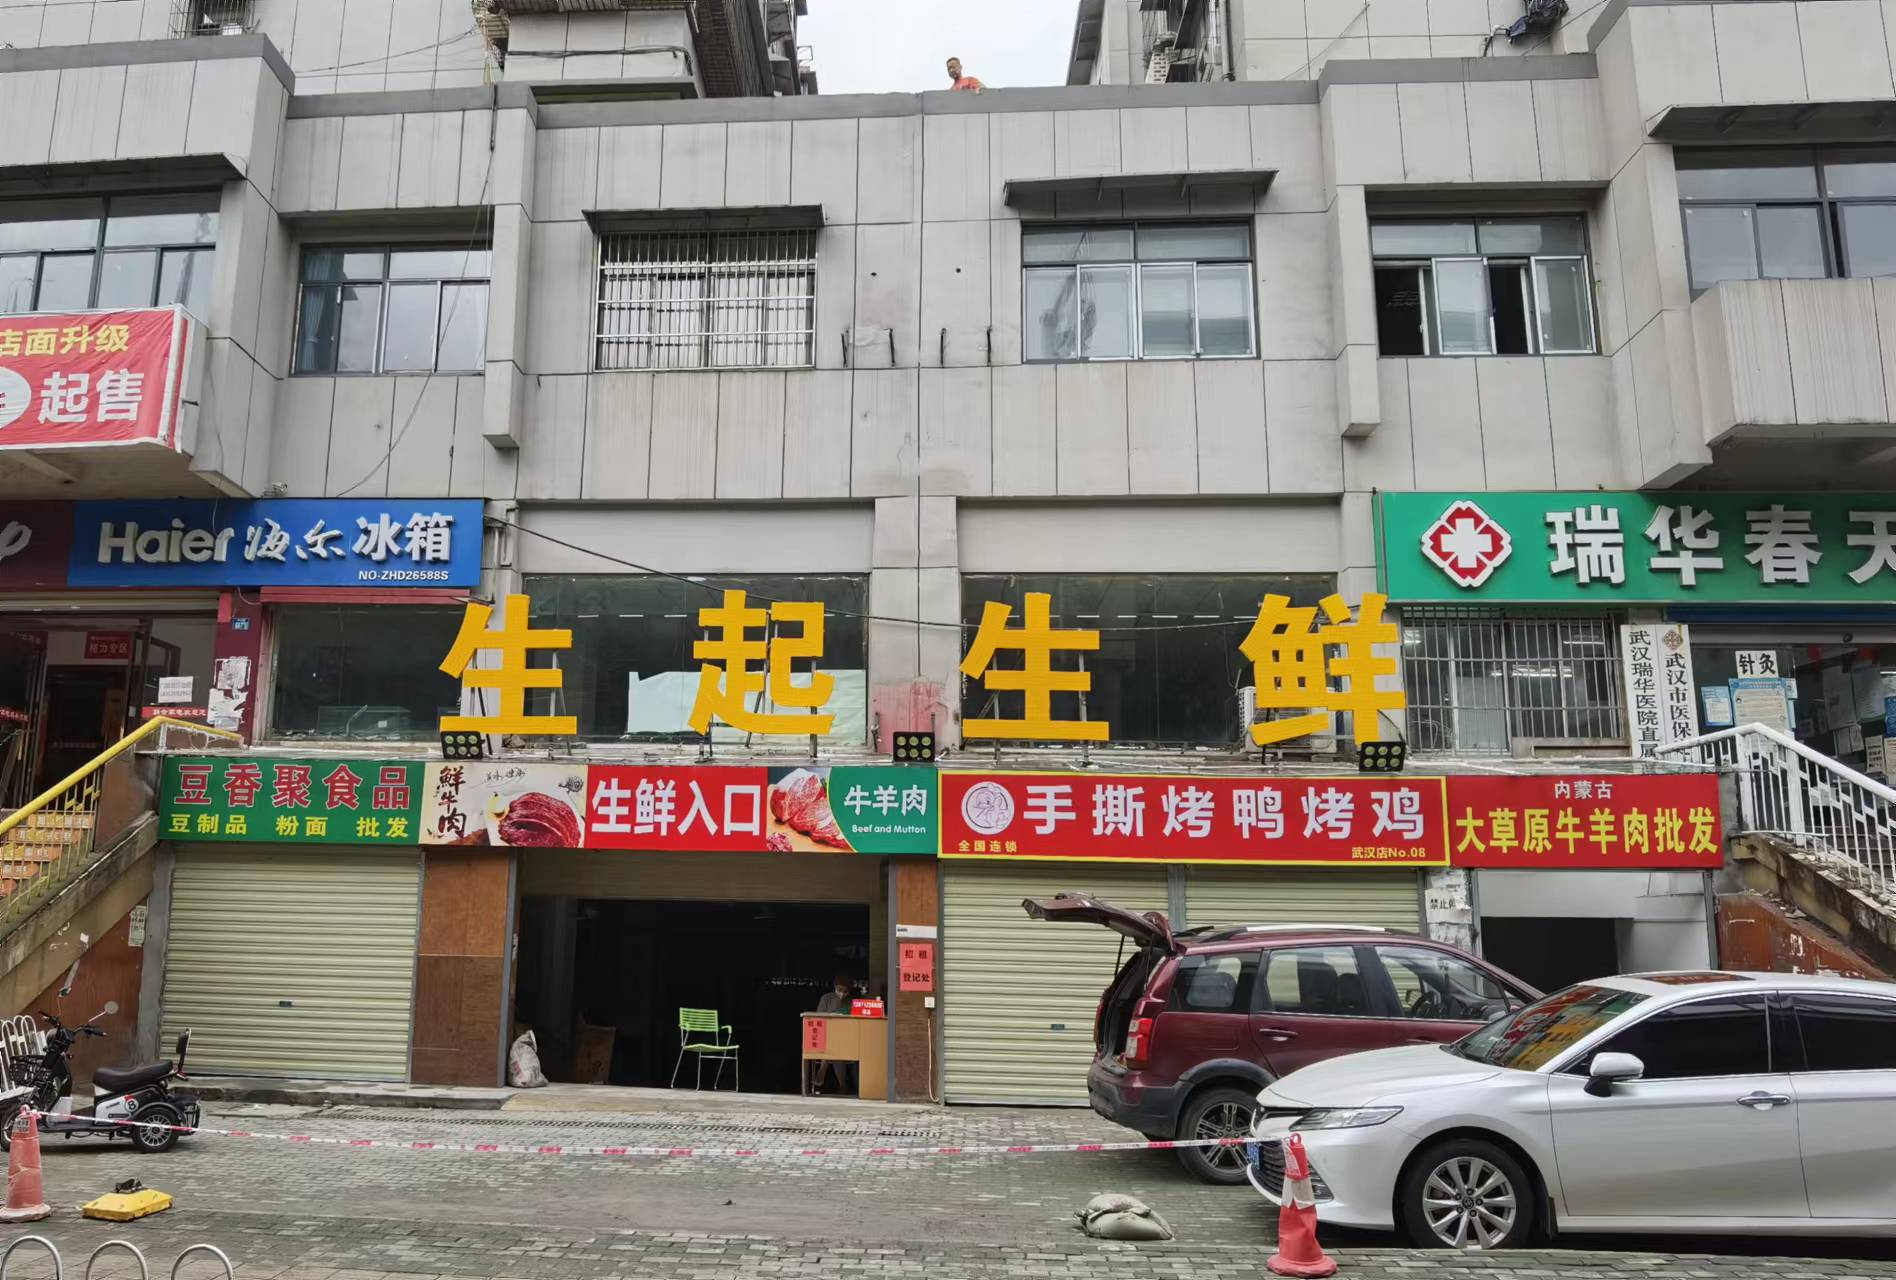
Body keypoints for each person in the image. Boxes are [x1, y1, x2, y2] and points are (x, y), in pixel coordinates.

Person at [812, 973, 857, 1094]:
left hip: (847, 1037)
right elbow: (818, 1017)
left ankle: (824, 1067)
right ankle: (842, 1086)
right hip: (827, 1035)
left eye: (845, 992)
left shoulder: (853, 1001)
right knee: (834, 1051)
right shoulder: (826, 998)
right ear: (835, 986)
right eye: (839, 990)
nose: (842, 994)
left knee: (835, 1050)